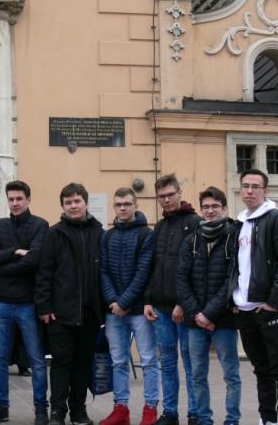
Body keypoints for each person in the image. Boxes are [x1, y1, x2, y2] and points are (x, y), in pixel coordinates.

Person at [230, 169, 278, 425]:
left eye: (255, 186)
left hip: (271, 308)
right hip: (245, 310)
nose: (249, 191)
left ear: (265, 191)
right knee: (261, 370)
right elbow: (234, 267)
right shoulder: (238, 224)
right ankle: (267, 418)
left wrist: (272, 302)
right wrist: (233, 301)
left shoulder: (277, 219)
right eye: (245, 186)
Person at [35, 183, 104, 425]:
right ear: (62, 206)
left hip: (89, 314)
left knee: (83, 364)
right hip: (60, 314)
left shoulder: (98, 231)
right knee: (61, 364)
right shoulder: (54, 234)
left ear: (85, 202)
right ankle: (57, 411)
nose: (73, 206)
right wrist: (44, 307)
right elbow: (44, 272)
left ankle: (78, 411)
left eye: (77, 201)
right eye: (68, 202)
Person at [0, 180, 50, 425]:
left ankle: (41, 408)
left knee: (36, 359)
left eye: (19, 199)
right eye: (11, 199)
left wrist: (3, 266)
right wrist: (14, 252)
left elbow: (34, 260)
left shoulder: (40, 225)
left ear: (28, 200)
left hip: (28, 303)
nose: (14, 203)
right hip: (0, 302)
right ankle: (1, 407)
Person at [176, 187, 241, 425]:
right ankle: (204, 420)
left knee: (231, 375)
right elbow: (181, 281)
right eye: (206, 207)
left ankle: (232, 420)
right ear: (201, 211)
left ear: (224, 208)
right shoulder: (191, 241)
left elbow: (232, 280)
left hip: (224, 321)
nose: (210, 211)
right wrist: (198, 315)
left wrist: (210, 314)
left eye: (215, 206)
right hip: (195, 322)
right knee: (197, 375)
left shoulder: (234, 238)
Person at [143, 173, 200, 425]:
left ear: (179, 194)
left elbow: (196, 268)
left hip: (184, 309)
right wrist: (148, 300)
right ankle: (170, 413)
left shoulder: (195, 222)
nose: (166, 200)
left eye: (170, 195)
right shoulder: (160, 227)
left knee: (190, 363)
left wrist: (182, 303)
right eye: (161, 196)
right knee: (166, 362)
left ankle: (195, 413)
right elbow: (153, 266)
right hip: (160, 308)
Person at [98, 188, 158, 425]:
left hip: (140, 310)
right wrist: (113, 302)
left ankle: (150, 409)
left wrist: (123, 302)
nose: (122, 208)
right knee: (118, 361)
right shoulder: (107, 236)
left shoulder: (147, 234)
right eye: (118, 204)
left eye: (127, 204)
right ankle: (120, 409)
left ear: (136, 205)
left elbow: (144, 272)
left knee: (148, 360)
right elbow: (103, 271)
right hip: (114, 311)